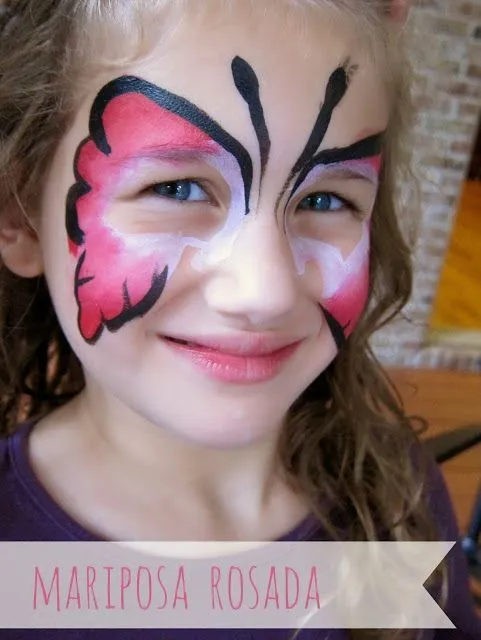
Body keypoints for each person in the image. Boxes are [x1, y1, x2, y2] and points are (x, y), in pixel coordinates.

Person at [0, 0, 479, 638]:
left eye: (325, 198)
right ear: (20, 215)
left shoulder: (394, 494)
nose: (267, 291)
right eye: (177, 189)